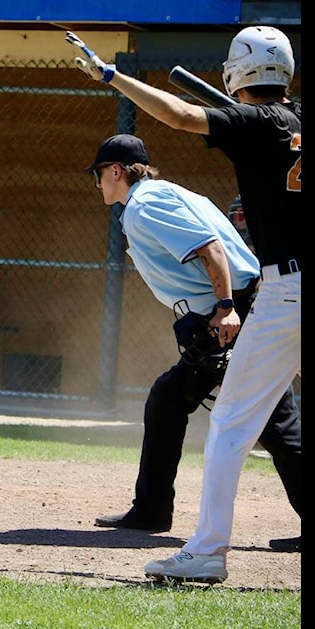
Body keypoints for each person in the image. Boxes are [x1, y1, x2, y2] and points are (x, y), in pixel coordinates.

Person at [68, 26, 301, 582]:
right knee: (210, 405)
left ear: (238, 72)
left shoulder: (251, 124)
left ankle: (206, 552)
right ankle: (156, 511)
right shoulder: (294, 123)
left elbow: (176, 113)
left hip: (282, 291)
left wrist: (111, 76)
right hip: (278, 290)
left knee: (232, 424)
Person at [84, 135, 300, 548]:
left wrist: (225, 307)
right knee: (169, 399)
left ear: (115, 171)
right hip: (231, 309)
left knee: (273, 418)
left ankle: (152, 509)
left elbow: (211, 249)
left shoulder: (146, 205)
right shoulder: (162, 195)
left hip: (232, 311)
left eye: (99, 175)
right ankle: (150, 508)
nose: (97, 184)